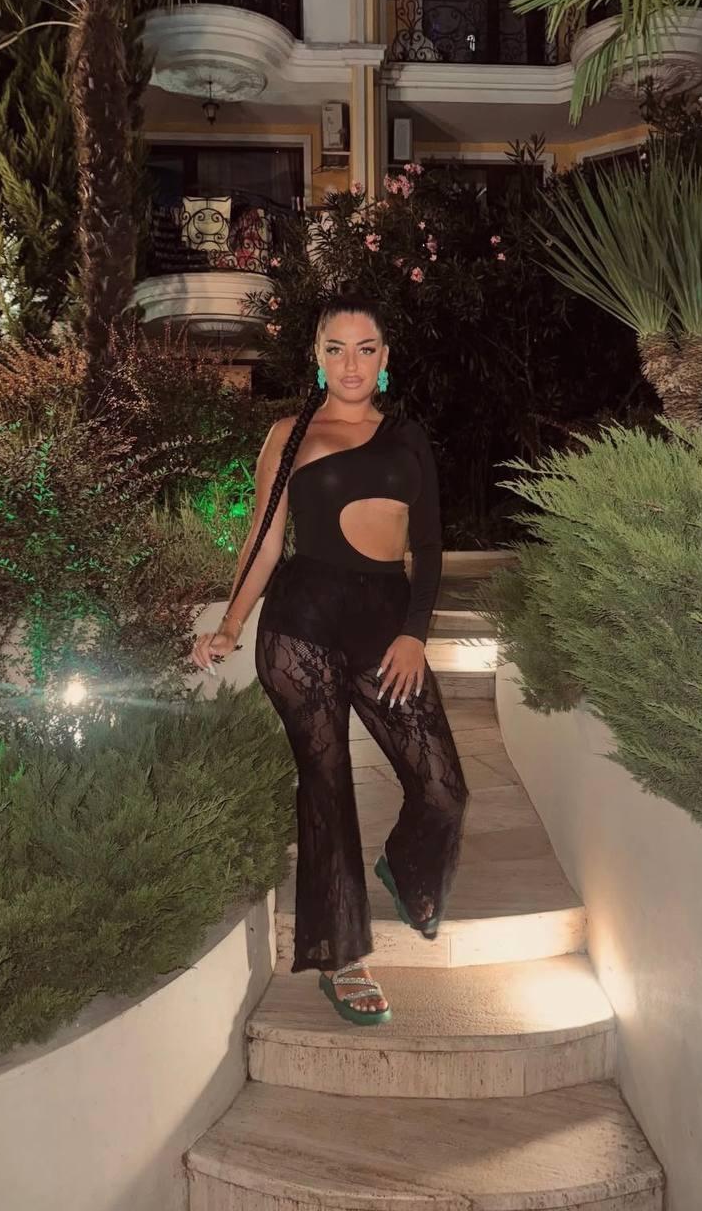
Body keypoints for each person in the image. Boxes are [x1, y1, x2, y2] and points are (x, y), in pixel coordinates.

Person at [190, 292, 468, 1025]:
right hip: (302, 626)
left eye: (365, 349)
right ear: (317, 357)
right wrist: (231, 623)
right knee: (327, 788)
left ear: (385, 358)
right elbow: (263, 539)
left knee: (442, 788)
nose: (351, 364)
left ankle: (404, 865)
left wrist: (414, 633)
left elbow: (428, 547)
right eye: (335, 349)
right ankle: (340, 956)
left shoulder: (407, 437)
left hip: (385, 629)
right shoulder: (290, 435)